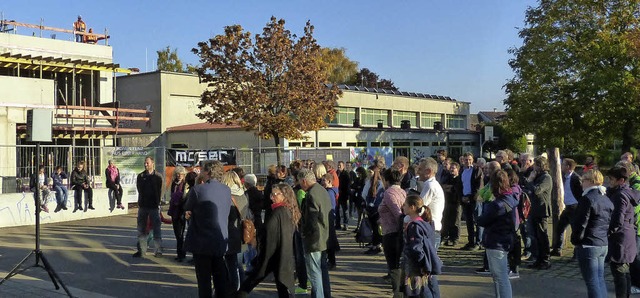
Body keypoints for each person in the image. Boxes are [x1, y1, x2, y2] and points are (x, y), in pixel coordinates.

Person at [238, 183, 301, 297]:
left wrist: (259, 242)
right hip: (281, 254)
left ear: (284, 196)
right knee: (281, 284)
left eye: (275, 194)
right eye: (271, 194)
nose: (272, 197)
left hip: (272, 253)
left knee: (252, 280)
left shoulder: (278, 212)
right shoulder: (288, 210)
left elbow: (269, 232)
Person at [184, 161, 231, 298]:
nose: (200, 172)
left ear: (207, 172)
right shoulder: (226, 190)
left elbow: (187, 206)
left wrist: (198, 184)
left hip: (202, 242)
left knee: (204, 282)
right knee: (220, 279)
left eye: (202, 170)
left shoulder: (198, 190)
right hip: (220, 240)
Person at [571, 169, 612, 298]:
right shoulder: (606, 198)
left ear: (590, 181)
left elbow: (581, 223)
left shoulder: (587, 199)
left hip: (589, 244)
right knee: (599, 279)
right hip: (603, 243)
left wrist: (576, 240)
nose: (582, 183)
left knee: (592, 281)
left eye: (583, 180)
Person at [477, 170, 518, 298]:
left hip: (496, 241)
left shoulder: (497, 204)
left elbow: (482, 220)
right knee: (498, 276)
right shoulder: (510, 198)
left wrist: (481, 209)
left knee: (500, 277)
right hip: (505, 239)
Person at [297, 168, 332, 298]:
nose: (300, 185)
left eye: (300, 182)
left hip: (314, 239)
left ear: (304, 181)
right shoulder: (321, 190)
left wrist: (304, 233)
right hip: (323, 236)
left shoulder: (311, 194)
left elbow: (311, 219)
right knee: (322, 270)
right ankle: (325, 294)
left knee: (314, 272)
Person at [607, 165, 640, 297]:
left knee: (619, 272)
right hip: (627, 235)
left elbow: (617, 219)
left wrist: (607, 233)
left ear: (621, 180)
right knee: (624, 272)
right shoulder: (626, 192)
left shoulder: (620, 195)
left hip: (620, 238)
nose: (609, 181)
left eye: (611, 179)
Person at [402, 194, 442, 298]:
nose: (403, 207)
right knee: (427, 288)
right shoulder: (426, 223)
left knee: (417, 291)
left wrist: (421, 264)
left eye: (405, 205)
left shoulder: (415, 226)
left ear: (412, 207)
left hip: (416, 266)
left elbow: (416, 248)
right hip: (425, 264)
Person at [221, 170, 250, 294]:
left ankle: (233, 290)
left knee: (231, 265)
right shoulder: (243, 194)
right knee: (239, 265)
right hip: (241, 233)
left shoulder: (227, 197)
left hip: (229, 233)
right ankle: (243, 290)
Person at [379, 168, 406, 297]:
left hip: (392, 232)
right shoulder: (402, 191)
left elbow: (398, 214)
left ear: (386, 180)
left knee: (394, 266)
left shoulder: (389, 193)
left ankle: (397, 293)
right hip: (395, 231)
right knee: (397, 265)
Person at [523, 156, 553, 270]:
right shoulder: (537, 176)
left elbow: (536, 190)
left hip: (541, 210)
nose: (533, 167)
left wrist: (530, 180)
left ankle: (545, 259)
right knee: (534, 236)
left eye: (535, 165)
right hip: (533, 209)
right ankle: (538, 258)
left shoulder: (546, 177)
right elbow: (527, 189)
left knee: (542, 235)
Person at [133, 156, 164, 258]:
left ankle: (158, 250)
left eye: (147, 163)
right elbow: (139, 189)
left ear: (152, 163)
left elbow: (161, 190)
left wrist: (158, 202)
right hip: (143, 206)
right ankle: (141, 250)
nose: (145, 165)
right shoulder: (140, 176)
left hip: (154, 207)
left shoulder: (158, 176)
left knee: (156, 229)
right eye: (145, 163)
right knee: (141, 228)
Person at [551, 158, 582, 257]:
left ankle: (576, 253)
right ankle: (557, 249)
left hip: (574, 207)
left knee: (575, 230)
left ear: (568, 167)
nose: (561, 166)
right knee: (559, 227)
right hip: (567, 207)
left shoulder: (576, 178)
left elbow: (581, 193)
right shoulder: (564, 177)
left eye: (563, 164)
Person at [416, 157, 446, 249]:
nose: (417, 172)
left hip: (430, 229)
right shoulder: (431, 184)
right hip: (432, 228)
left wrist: (406, 218)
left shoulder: (430, 185)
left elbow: (419, 207)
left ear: (428, 171)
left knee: (427, 262)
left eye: (420, 169)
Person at [460, 152, 484, 251]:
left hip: (474, 199)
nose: (468, 161)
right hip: (465, 198)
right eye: (466, 160)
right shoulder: (462, 170)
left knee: (478, 221)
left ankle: (479, 242)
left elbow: (479, 186)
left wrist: (471, 197)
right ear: (463, 160)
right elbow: (459, 185)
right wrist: (461, 197)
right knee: (468, 222)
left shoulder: (477, 170)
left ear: (472, 160)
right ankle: (470, 241)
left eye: (470, 159)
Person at [362, 164, 385, 254]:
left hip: (375, 209)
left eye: (370, 172)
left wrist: (373, 206)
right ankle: (374, 245)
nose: (369, 174)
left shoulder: (379, 183)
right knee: (373, 228)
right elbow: (364, 194)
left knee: (376, 229)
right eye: (368, 172)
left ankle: (377, 246)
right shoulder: (369, 181)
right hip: (369, 208)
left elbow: (379, 197)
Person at [168, 166, 188, 262]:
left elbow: (186, 198)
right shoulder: (173, 184)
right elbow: (171, 195)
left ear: (184, 175)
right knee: (177, 234)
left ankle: (181, 254)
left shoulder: (185, 185)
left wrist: (180, 204)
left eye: (181, 174)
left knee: (180, 234)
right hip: (174, 211)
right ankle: (179, 253)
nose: (179, 176)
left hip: (182, 211)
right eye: (178, 174)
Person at [322, 173, 340, 269]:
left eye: (323, 180)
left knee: (329, 241)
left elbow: (330, 206)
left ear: (329, 181)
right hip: (330, 217)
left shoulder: (329, 192)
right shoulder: (329, 191)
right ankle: (331, 261)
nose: (322, 182)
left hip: (329, 218)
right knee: (330, 240)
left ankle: (332, 261)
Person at [441, 162, 462, 246]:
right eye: (451, 168)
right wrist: (449, 188)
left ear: (458, 169)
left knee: (456, 221)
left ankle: (455, 238)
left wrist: (451, 188)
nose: (452, 170)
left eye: (454, 168)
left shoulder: (459, 178)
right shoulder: (447, 177)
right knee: (446, 220)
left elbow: (456, 189)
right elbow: (443, 186)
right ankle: (445, 237)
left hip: (456, 202)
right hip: (447, 201)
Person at [337, 161, 351, 231]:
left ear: (343, 166)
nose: (339, 167)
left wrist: (346, 194)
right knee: (337, 210)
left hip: (343, 195)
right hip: (337, 195)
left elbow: (348, 185)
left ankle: (346, 224)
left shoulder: (345, 174)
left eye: (340, 165)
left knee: (345, 210)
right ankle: (337, 224)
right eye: (338, 165)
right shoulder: (337, 173)